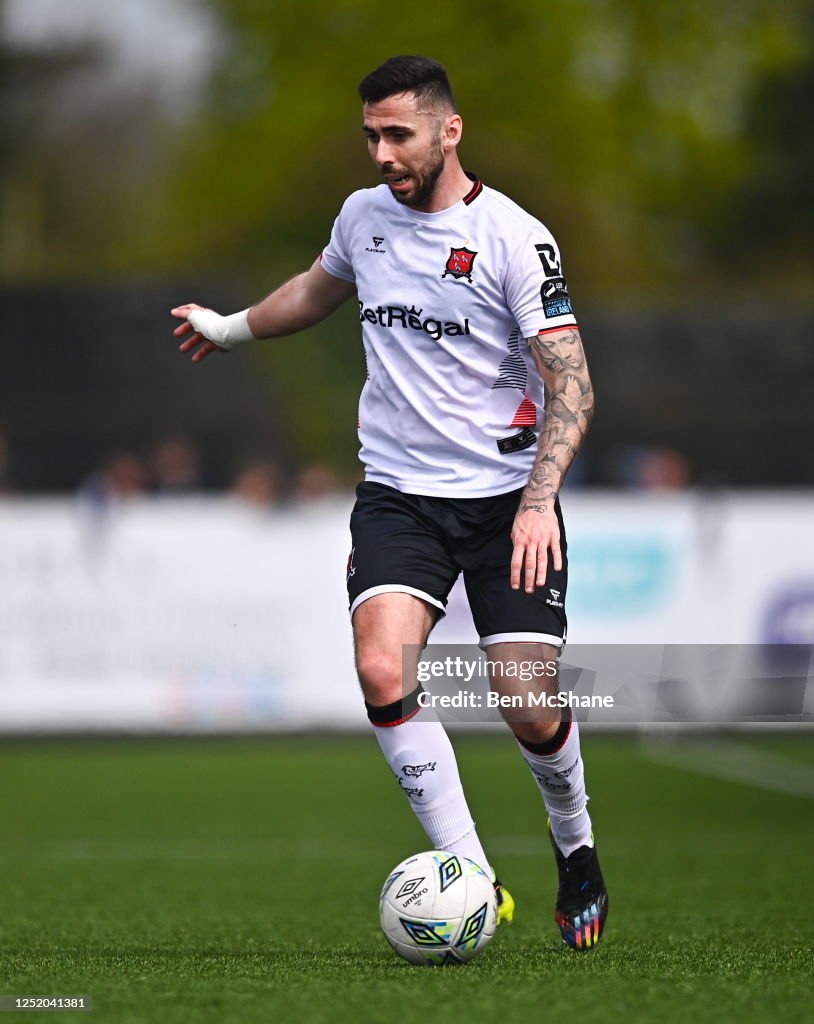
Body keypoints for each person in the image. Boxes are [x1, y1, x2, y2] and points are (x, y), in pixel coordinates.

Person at [171, 55, 607, 951]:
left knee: (526, 702)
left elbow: (574, 387)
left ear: (450, 132)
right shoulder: (362, 218)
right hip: (399, 496)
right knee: (382, 672)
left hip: (504, 502)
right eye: (371, 134)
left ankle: (578, 850)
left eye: (397, 134)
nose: (380, 153)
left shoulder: (514, 240)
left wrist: (537, 504)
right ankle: (474, 877)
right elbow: (317, 290)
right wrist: (230, 327)